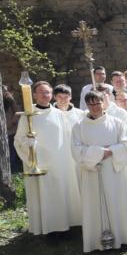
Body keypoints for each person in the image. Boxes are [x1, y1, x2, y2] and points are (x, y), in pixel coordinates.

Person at [71, 90, 127, 253]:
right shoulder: (79, 127)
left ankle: (124, 237)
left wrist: (110, 152)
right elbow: (76, 150)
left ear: (103, 103)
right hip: (92, 172)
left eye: (98, 103)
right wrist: (98, 154)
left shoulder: (116, 123)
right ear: (87, 105)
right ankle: (96, 242)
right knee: (94, 204)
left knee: (118, 202)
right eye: (91, 104)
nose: (95, 107)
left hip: (114, 171)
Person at [14, 80, 82, 237]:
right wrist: (27, 143)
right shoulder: (28, 116)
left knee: (62, 194)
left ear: (52, 95)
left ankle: (68, 226)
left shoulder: (59, 114)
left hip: (61, 163)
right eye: (41, 92)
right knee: (46, 197)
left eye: (48, 92)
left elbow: (68, 137)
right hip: (40, 164)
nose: (45, 95)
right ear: (34, 95)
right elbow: (18, 141)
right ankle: (50, 231)